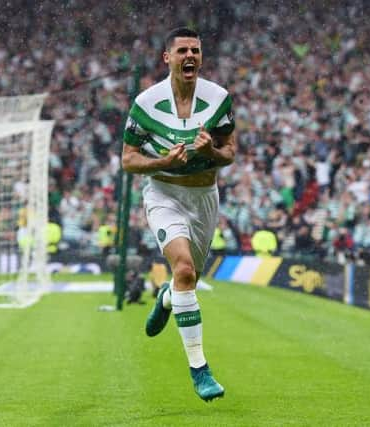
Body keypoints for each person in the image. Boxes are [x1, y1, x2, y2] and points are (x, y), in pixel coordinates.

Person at [121, 27, 236, 402]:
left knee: (186, 278)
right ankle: (200, 370)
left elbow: (229, 151)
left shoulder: (218, 99)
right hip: (164, 192)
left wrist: (211, 153)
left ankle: (168, 297)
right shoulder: (146, 103)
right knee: (186, 269)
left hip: (204, 195)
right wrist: (163, 161)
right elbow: (128, 160)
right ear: (167, 57)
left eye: (196, 50)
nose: (190, 56)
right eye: (183, 50)